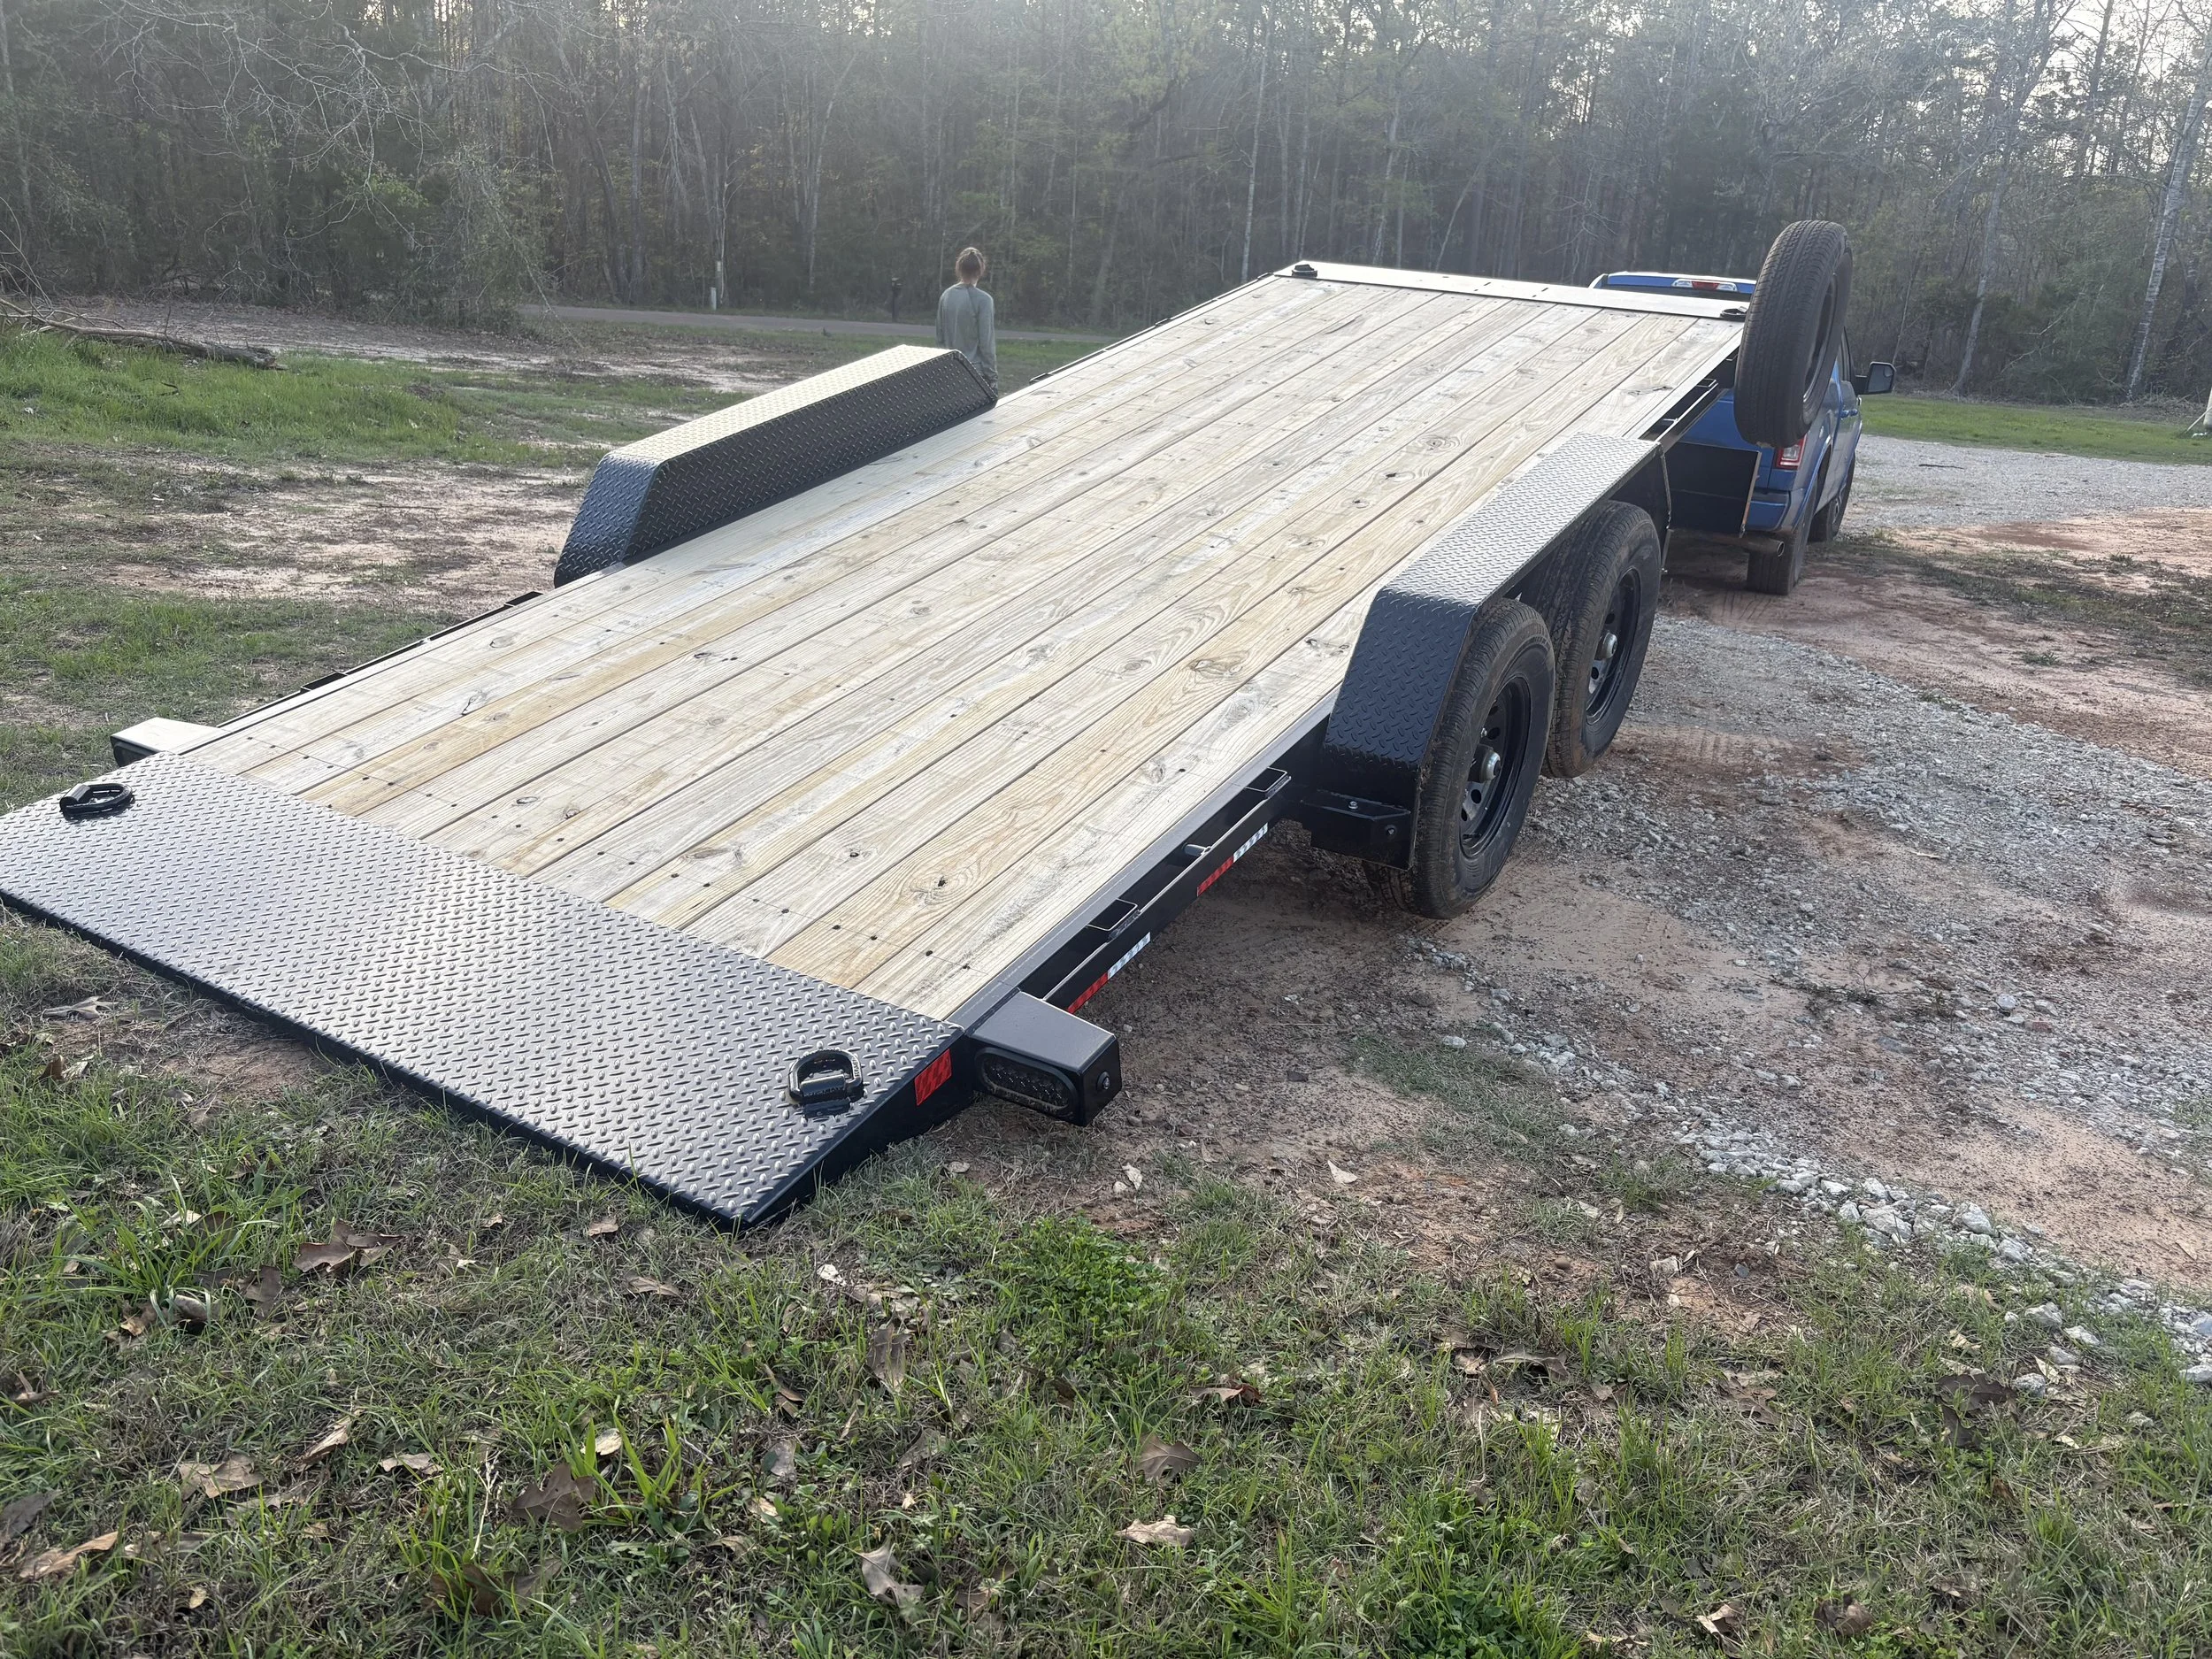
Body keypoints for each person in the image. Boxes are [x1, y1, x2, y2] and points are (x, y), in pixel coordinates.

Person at [934, 247, 999, 394]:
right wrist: (992, 377)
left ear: (959, 268)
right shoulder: (984, 300)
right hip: (974, 374)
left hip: (949, 370)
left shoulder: (946, 295)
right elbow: (986, 343)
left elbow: (939, 338)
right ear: (980, 269)